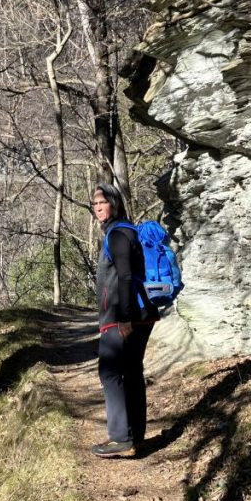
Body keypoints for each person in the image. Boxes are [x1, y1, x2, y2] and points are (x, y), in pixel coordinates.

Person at [90, 184, 159, 458]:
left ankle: (120, 437)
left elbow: (126, 276)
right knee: (131, 372)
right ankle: (135, 438)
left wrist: (123, 318)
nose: (97, 207)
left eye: (102, 202)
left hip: (123, 317)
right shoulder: (127, 231)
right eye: (94, 204)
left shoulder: (118, 234)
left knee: (109, 373)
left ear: (114, 204)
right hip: (143, 314)